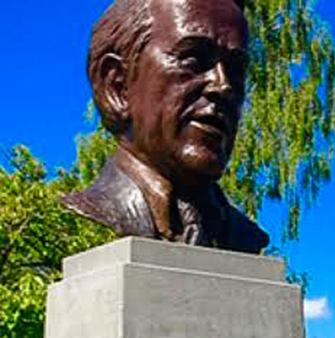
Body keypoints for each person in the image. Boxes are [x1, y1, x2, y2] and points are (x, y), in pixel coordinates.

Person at [62, 0, 269, 253]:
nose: (223, 85)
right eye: (193, 60)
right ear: (117, 86)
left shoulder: (243, 237)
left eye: (236, 69)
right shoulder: (71, 222)